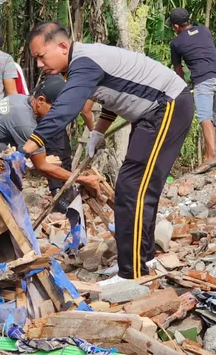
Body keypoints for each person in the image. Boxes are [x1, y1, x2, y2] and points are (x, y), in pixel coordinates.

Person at [22, 23, 193, 281]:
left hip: (166, 105)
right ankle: (141, 260)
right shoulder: (83, 62)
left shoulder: (84, 62)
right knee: (134, 188)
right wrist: (99, 131)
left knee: (132, 189)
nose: (39, 65)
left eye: (40, 56)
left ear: (62, 46)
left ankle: (132, 272)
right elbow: (113, 96)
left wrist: (27, 148)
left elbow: (65, 109)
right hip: (152, 113)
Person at [0, 74, 101, 190]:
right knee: (0, 202)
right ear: (40, 100)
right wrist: (82, 179)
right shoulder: (24, 121)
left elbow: (21, 153)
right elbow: (42, 168)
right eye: (54, 109)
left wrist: (31, 162)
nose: (57, 115)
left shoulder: (19, 100)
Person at [169, 7, 216, 174]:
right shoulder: (204, 30)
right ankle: (209, 157)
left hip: (203, 81)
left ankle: (214, 155)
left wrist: (182, 89)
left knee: (204, 117)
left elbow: (179, 70)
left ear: (175, 27)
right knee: (211, 121)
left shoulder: (176, 43)